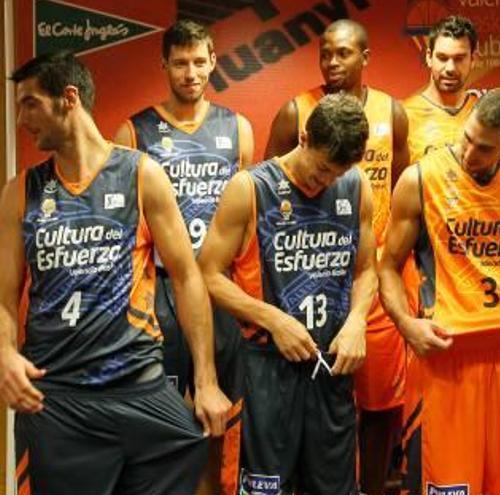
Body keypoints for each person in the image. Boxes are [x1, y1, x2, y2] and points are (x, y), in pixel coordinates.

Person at [1, 51, 230, 495]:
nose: (21, 118)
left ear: (68, 98)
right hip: (59, 396)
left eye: (30, 103)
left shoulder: (141, 174)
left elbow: (186, 278)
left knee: (192, 449)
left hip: (140, 389)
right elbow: (5, 295)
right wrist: (6, 354)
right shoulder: (21, 192)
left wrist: (205, 381)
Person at [198, 93, 376, 495]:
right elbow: (206, 274)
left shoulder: (355, 184)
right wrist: (274, 319)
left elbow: (366, 270)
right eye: (322, 169)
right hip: (266, 367)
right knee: (264, 488)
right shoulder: (250, 189)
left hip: (331, 366)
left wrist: (357, 321)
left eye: (338, 173)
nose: (327, 181)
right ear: (303, 138)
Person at [380, 89, 500, 494]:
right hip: (447, 355)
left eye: (485, 147)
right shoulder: (421, 178)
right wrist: (406, 325)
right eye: (467, 138)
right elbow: (386, 266)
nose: (469, 152)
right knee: (449, 485)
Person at [263, 20, 409, 493]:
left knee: (380, 403)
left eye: (343, 53)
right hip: (307, 279)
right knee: (316, 404)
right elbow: (267, 191)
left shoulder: (393, 113)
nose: (331, 63)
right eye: (324, 54)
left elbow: (406, 191)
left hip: (371, 281)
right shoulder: (295, 113)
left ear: (365, 56)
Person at [114, 19, 254, 397]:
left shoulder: (238, 128)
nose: (190, 73)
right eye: (180, 63)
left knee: (220, 409)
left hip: (219, 285)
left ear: (212, 60)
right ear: (165, 66)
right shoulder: (133, 132)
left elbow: (246, 218)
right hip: (160, 288)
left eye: (197, 61)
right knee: (166, 410)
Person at [404, 15, 479, 164]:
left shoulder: (484, 114)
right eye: (442, 58)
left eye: (459, 58)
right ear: (429, 57)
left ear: (473, 59)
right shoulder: (403, 115)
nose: (450, 68)